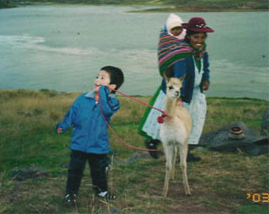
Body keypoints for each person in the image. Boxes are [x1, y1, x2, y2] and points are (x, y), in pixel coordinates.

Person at [139, 16, 215, 162]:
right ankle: (153, 142)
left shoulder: (202, 52)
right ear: (188, 36)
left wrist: (206, 79)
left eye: (202, 37)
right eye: (196, 37)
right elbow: (179, 76)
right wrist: (178, 96)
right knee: (170, 120)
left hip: (195, 94)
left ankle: (185, 153)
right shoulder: (182, 54)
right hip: (180, 94)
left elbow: (205, 68)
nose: (199, 40)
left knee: (192, 122)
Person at [56, 66, 124, 206]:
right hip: (79, 143)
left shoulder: (113, 102)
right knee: (75, 170)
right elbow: (72, 114)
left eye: (102, 78)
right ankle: (71, 193)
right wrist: (63, 125)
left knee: (99, 170)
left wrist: (104, 93)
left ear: (112, 87)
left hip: (98, 145)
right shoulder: (83, 98)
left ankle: (101, 191)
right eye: (97, 76)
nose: (97, 80)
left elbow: (106, 110)